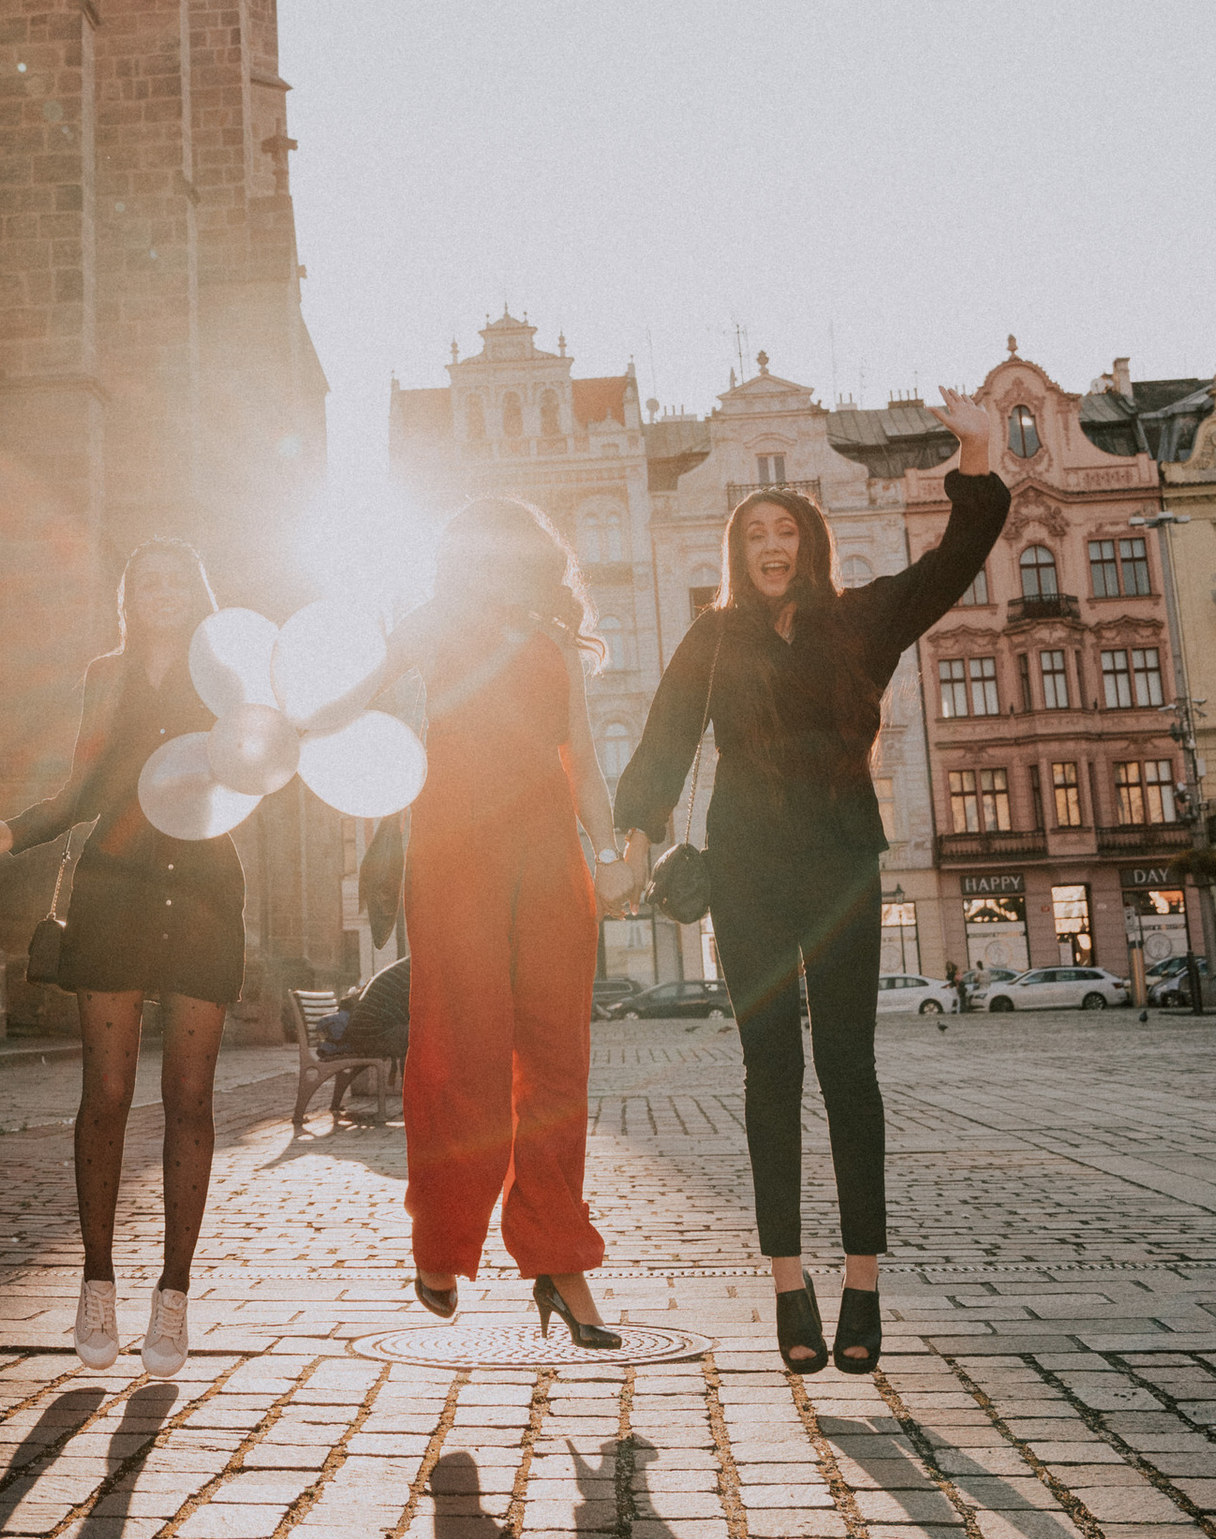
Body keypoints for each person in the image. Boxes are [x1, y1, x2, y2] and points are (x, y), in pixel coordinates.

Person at [615, 395, 1007, 1377]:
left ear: (810, 542)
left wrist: (974, 453)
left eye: (784, 528)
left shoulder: (863, 616)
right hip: (744, 867)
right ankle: (789, 1283)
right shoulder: (712, 637)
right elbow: (664, 737)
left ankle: (862, 1288)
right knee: (769, 1072)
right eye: (754, 532)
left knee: (847, 1070)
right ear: (735, 549)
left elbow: (959, 555)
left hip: (838, 862)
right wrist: (635, 833)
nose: (769, 542)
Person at [369, 499, 649, 1338]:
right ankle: (443, 1240)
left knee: (558, 1063)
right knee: (462, 1043)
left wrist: (607, 854)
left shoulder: (555, 636)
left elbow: (583, 763)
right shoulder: (425, 624)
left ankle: (560, 1261)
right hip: (455, 845)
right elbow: (357, 705)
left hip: (547, 855)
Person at [0, 541, 238, 1381]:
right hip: (113, 892)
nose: (161, 590)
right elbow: (79, 790)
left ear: (197, 593)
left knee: (188, 1096)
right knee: (106, 1095)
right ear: (129, 595)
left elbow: (263, 768)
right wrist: (10, 831)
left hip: (202, 892)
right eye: (147, 579)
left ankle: (176, 1295)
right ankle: (97, 1280)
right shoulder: (106, 674)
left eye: (175, 579)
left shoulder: (227, 673)